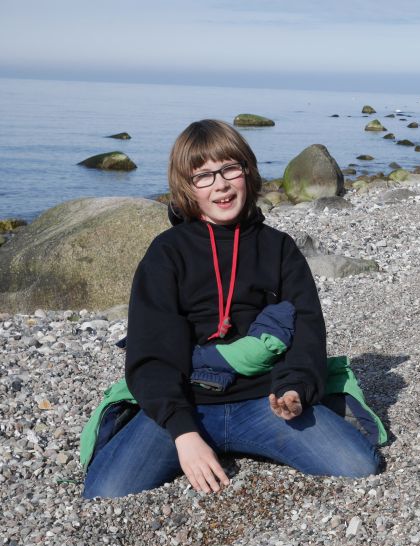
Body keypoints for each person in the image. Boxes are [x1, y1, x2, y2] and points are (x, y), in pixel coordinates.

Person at [82, 119, 381, 498]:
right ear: (187, 188)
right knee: (104, 492)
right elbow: (152, 351)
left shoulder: (279, 249)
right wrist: (183, 433)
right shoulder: (167, 252)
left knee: (359, 465)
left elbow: (306, 332)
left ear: (247, 171)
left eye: (229, 169)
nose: (220, 184)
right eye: (203, 176)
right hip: (187, 405)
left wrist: (294, 390)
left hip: (264, 403)